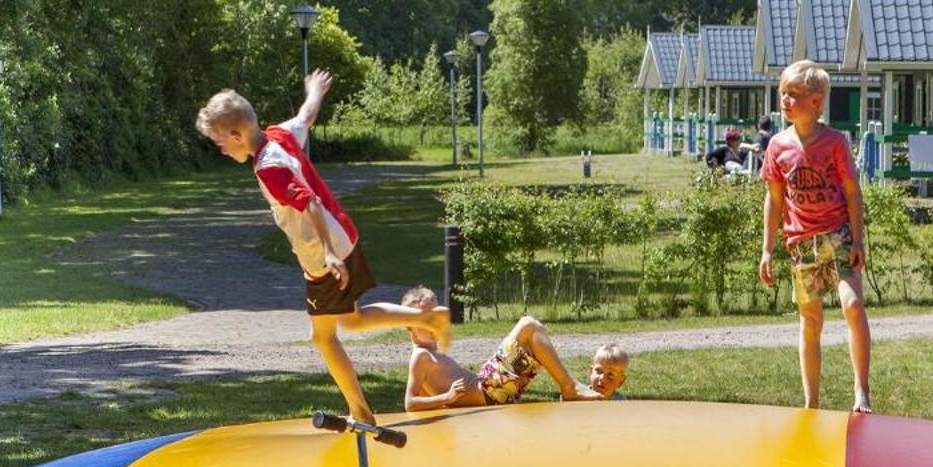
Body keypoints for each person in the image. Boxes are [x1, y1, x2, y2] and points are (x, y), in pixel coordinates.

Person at [197, 71, 440, 425]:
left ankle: (362, 412)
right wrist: (314, 92)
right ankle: (426, 319)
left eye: (220, 143)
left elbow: (308, 203)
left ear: (236, 135)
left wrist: (326, 253)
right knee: (352, 319)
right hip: (346, 237)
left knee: (324, 338)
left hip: (324, 255)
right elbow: (305, 116)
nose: (220, 149)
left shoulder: (268, 168)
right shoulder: (278, 135)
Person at [757, 60, 872, 412]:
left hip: (837, 235)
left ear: (816, 102)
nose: (786, 101)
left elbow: (853, 192)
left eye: (794, 95)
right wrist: (767, 249)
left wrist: (856, 239)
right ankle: (811, 402)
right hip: (801, 243)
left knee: (852, 305)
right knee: (811, 321)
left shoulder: (835, 142)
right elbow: (774, 199)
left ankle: (861, 390)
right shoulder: (777, 146)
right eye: (783, 95)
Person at [399, 287, 626, 410]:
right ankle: (569, 387)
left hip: (495, 392)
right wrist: (446, 398)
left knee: (535, 335)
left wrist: (445, 403)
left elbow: (426, 394)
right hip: (490, 390)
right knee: (528, 325)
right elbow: (410, 403)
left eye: (434, 317)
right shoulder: (420, 356)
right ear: (408, 326)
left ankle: (570, 387)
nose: (432, 324)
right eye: (423, 320)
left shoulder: (431, 354)